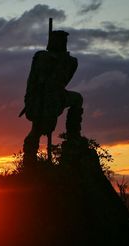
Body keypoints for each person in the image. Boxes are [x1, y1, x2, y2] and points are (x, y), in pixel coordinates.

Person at [22, 30, 83, 165]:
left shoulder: (69, 61)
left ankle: (73, 135)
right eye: (59, 40)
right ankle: (29, 161)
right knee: (37, 129)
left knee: (77, 99)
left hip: (57, 96)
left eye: (63, 41)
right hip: (41, 99)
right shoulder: (42, 57)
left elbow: (63, 80)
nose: (62, 43)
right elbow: (34, 80)